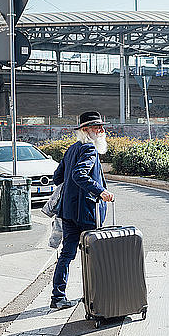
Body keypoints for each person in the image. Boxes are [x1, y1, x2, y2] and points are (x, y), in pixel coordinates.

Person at [50, 111, 115, 309]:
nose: (102, 131)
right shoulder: (89, 149)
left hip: (69, 212)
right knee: (95, 255)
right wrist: (100, 191)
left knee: (67, 255)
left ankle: (57, 297)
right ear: (86, 130)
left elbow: (57, 177)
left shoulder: (72, 149)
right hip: (87, 213)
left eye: (102, 127)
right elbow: (79, 175)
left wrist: (73, 192)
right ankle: (96, 296)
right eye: (97, 127)